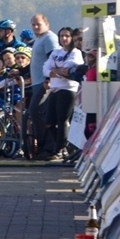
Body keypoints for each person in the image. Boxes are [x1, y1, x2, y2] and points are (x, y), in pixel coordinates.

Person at [39, 26, 83, 161]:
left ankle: (59, 149)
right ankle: (61, 145)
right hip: (54, 89)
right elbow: (45, 68)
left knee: (62, 120)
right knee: (48, 121)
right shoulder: (56, 52)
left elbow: (68, 67)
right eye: (61, 36)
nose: (64, 38)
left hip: (68, 90)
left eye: (67, 36)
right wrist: (54, 72)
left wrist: (56, 70)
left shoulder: (76, 52)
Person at [27, 14, 59, 160]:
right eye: (33, 24)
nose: (35, 27)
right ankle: (42, 147)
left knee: (38, 112)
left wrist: (49, 79)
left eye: (38, 24)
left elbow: (54, 60)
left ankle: (50, 147)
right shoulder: (38, 40)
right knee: (37, 113)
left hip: (44, 83)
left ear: (47, 24)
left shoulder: (49, 38)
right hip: (36, 82)